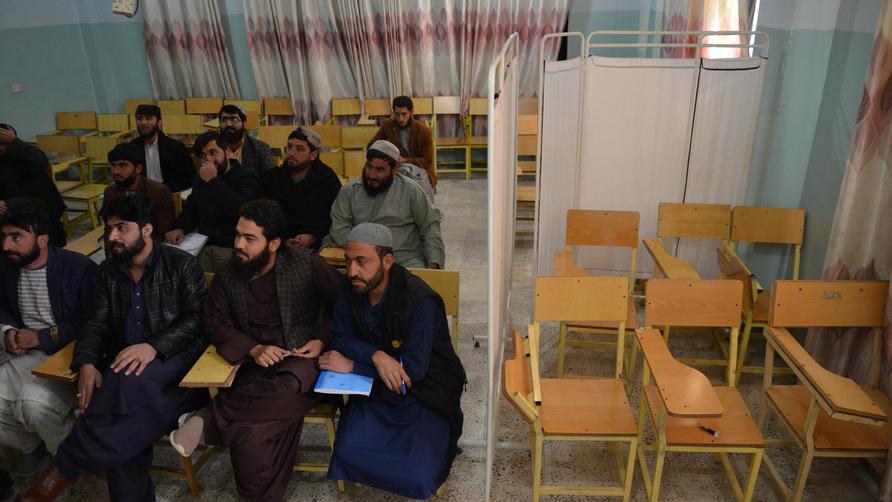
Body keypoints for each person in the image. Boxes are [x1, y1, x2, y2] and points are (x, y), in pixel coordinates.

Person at [18, 194, 209, 502]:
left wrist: (153, 346)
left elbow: (198, 319)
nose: (113, 237)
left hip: (176, 365)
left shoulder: (180, 264)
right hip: (127, 375)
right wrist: (88, 363)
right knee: (124, 424)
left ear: (146, 230)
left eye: (122, 228)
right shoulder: (108, 271)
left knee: (118, 386)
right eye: (109, 229)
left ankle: (63, 468)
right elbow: (95, 323)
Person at [170, 199, 341, 501]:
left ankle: (207, 418)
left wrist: (321, 339)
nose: (238, 244)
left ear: (274, 243)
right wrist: (253, 349)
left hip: (301, 361)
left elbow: (344, 305)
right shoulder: (228, 273)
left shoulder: (307, 263)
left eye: (250, 238)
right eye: (238, 235)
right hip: (253, 369)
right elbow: (215, 322)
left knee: (289, 385)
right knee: (250, 436)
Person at [320, 223, 465, 499]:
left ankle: (448, 430)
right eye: (348, 261)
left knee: (417, 474)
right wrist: (376, 356)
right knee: (347, 453)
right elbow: (338, 336)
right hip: (377, 390)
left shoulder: (421, 300)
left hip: (424, 393)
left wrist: (354, 365)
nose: (352, 271)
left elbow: (413, 371)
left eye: (361, 262)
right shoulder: (352, 287)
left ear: (388, 261)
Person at [0, 198, 96, 476]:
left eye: (17, 237)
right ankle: (31, 446)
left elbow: (92, 320)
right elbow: (3, 308)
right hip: (22, 356)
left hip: (67, 355)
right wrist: (9, 332)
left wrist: (41, 337)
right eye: (4, 237)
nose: (6, 245)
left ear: (42, 240)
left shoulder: (77, 268)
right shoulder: (7, 267)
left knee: (34, 405)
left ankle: (66, 458)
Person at [321, 140, 444, 269]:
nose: (372, 175)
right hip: (360, 256)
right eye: (369, 167)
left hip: (403, 258)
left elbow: (429, 227)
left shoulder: (411, 190)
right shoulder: (350, 191)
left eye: (380, 169)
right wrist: (365, 252)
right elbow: (339, 228)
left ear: (395, 169)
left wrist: (433, 264)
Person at [165, 132, 259, 273]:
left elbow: (241, 212)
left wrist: (213, 181)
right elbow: (191, 210)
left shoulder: (247, 176)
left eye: (213, 152)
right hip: (202, 243)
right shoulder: (200, 179)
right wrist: (180, 228)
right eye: (203, 156)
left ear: (227, 152)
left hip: (232, 245)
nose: (208, 159)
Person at [260, 127, 341, 251]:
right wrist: (281, 240)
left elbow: (334, 218)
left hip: (316, 246)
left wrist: (313, 236)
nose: (291, 153)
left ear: (313, 155)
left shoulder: (327, 179)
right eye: (289, 147)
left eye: (299, 149)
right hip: (276, 244)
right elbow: (264, 215)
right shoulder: (272, 177)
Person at [0, 124, 67, 247]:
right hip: (9, 215)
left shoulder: (24, 153)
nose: (2, 148)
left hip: (40, 210)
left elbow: (41, 162)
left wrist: (14, 142)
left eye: (4, 143)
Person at [102, 142, 175, 237]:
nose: (116, 171)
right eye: (113, 165)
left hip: (150, 244)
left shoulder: (159, 192)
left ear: (138, 168)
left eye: (123, 165)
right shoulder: (110, 192)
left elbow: (164, 232)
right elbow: (108, 227)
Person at [367, 96, 436, 187]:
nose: (400, 119)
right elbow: (371, 146)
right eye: (397, 114)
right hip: (395, 165)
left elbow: (427, 161)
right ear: (393, 113)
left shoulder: (424, 131)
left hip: (418, 168)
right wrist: (387, 155)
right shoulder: (388, 125)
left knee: (406, 178)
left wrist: (405, 160)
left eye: (404, 114)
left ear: (411, 112)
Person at [130, 104, 195, 193]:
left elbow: (187, 179)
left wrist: (160, 190)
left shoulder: (175, 147)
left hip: (168, 194)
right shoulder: (132, 147)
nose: (143, 122)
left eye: (148, 118)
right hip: (141, 196)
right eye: (139, 118)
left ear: (159, 122)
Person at [218, 104, 274, 175]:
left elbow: (270, 181)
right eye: (224, 119)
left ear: (244, 123)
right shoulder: (212, 148)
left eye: (234, 119)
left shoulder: (261, 149)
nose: (228, 124)